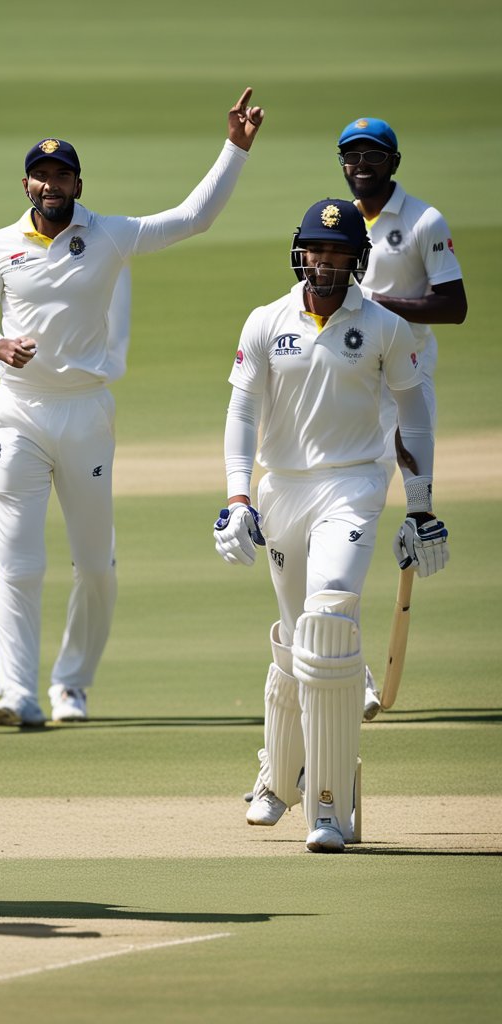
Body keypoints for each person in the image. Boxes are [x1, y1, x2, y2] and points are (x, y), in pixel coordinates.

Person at [0, 88, 264, 727]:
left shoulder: (109, 235)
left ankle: (71, 683)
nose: (51, 183)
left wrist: (234, 149)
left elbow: (192, 218)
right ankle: (17, 690)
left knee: (94, 565)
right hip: (17, 409)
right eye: (41, 174)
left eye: (61, 173)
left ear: (77, 181)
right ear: (25, 183)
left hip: (86, 413)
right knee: (15, 560)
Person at [213, 199, 450, 852]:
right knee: (295, 639)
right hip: (282, 489)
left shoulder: (383, 327)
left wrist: (421, 506)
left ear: (355, 261)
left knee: (328, 620)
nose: (324, 261)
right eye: (316, 250)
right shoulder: (266, 322)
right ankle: (279, 779)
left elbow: (416, 413)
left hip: (352, 485)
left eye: (337, 252)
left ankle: (329, 804)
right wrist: (238, 499)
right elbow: (240, 412)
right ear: (301, 253)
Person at [335, 117, 468, 720]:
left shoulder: (423, 222)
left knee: (414, 521)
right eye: (351, 155)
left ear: (393, 161)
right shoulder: (335, 221)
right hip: (347, 388)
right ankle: (352, 670)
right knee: (344, 529)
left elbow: (454, 304)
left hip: (406, 384)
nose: (360, 164)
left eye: (372, 154)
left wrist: (379, 306)